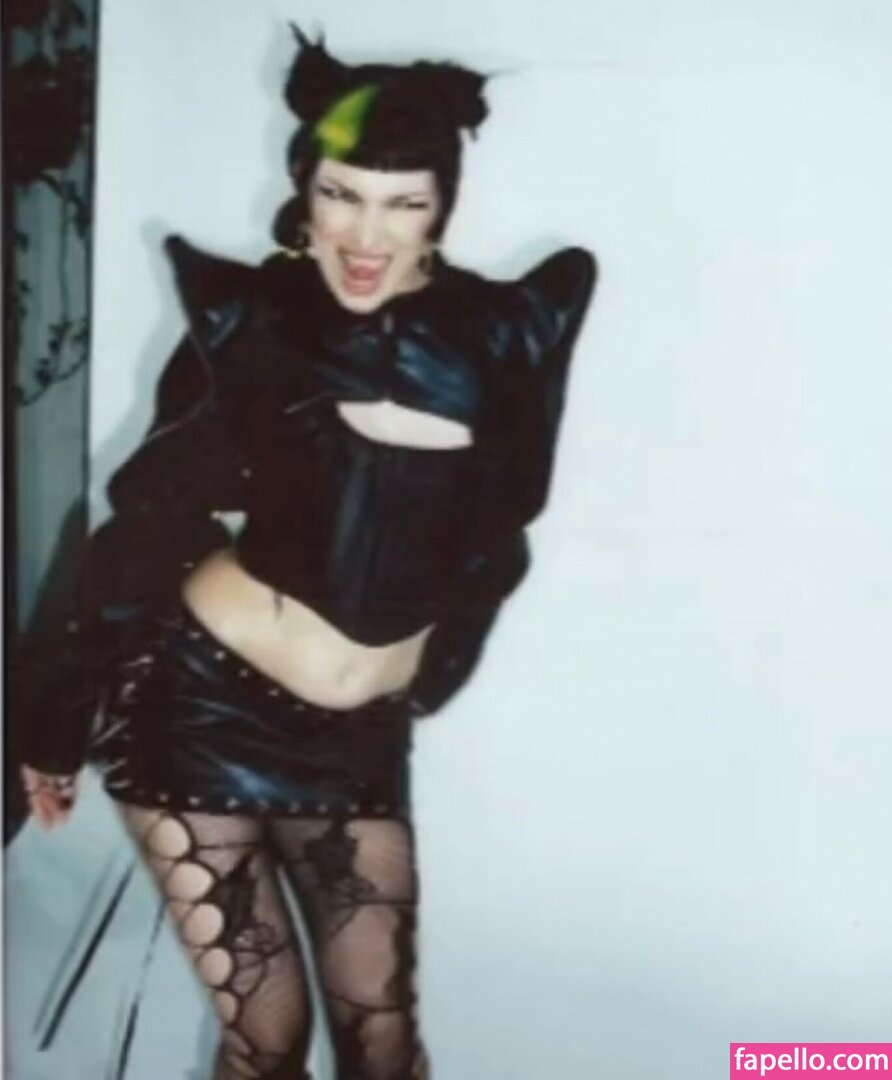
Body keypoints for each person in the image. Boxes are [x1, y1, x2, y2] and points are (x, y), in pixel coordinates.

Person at [18, 27, 597, 1080]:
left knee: (384, 1038)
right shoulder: (254, 322)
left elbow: (498, 535)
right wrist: (55, 726)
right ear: (306, 193)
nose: (365, 235)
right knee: (269, 1040)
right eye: (341, 195)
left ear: (441, 208)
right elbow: (146, 524)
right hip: (200, 707)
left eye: (402, 203)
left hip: (356, 738)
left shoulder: (504, 334)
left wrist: (431, 669)